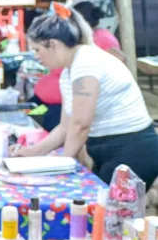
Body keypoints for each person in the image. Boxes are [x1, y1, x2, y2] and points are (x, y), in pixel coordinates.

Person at [16, 10, 158, 187]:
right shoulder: (69, 72)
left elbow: (80, 125)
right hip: (110, 150)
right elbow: (65, 127)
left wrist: (62, 165)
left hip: (132, 150)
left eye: (37, 49)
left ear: (53, 44)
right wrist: (33, 152)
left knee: (109, 210)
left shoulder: (86, 63)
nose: (36, 57)